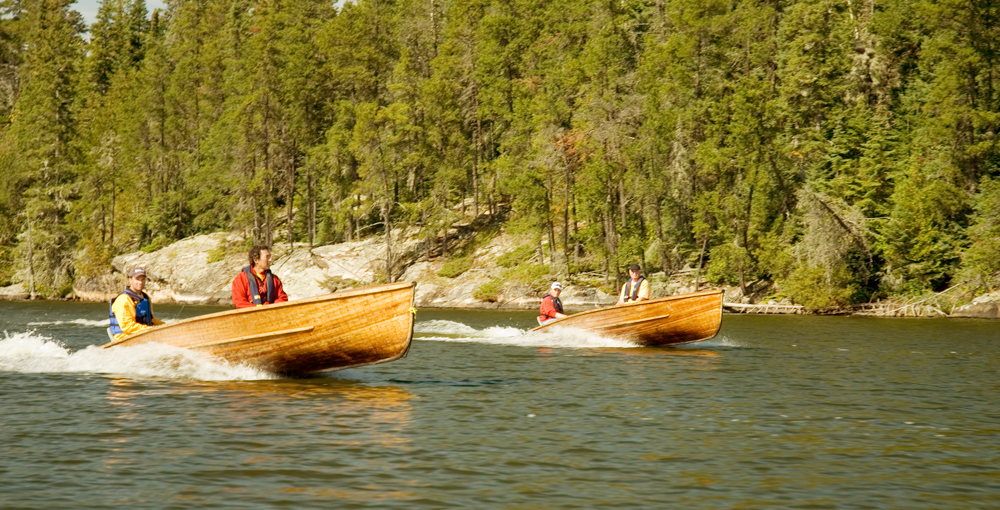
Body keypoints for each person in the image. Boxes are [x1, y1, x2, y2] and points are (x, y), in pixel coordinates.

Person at [108, 267, 165, 341]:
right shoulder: (124, 299)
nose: (140, 282)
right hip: (125, 338)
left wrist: (165, 326)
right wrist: (151, 329)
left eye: (142, 279)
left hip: (144, 335)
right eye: (137, 279)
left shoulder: (145, 298)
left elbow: (151, 319)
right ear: (130, 280)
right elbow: (127, 326)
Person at [232, 245, 289, 309]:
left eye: (270, 257)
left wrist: (271, 308)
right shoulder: (240, 279)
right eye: (267, 257)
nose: (270, 260)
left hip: (271, 314)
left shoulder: (275, 279)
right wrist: (258, 310)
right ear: (256, 260)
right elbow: (239, 302)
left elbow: (282, 298)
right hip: (251, 315)